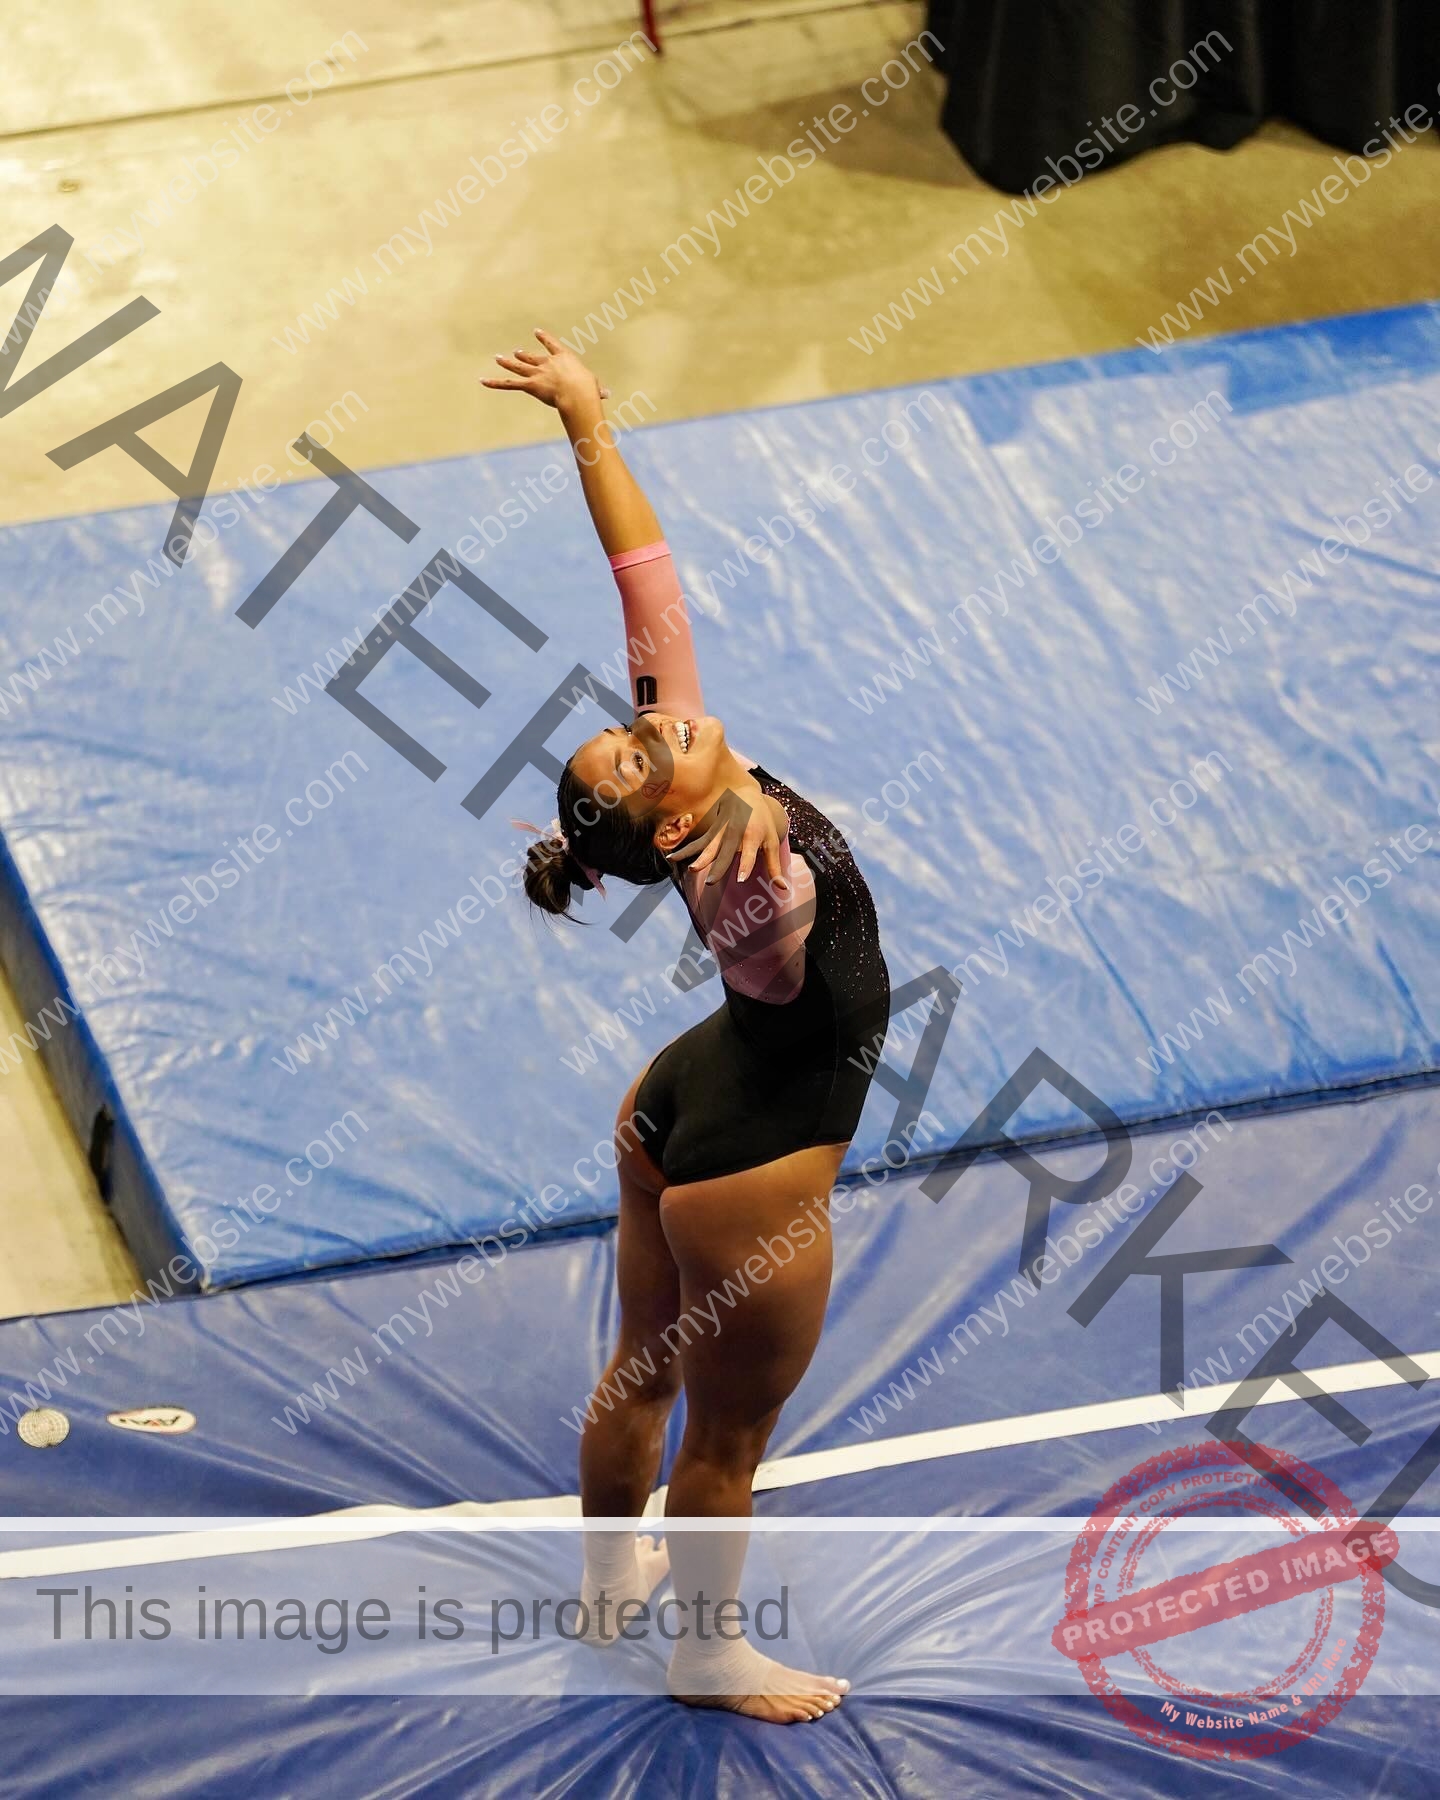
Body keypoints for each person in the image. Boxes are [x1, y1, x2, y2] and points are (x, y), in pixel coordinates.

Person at [484, 331, 891, 1724]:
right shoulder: (753, 885)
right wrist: (743, 807)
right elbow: (763, 886)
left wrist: (584, 416)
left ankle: (610, 1584)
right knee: (727, 1437)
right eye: (645, 743)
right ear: (667, 825)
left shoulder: (691, 791)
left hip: (673, 1103)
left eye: (638, 722)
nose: (660, 716)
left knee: (642, 1364)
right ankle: (709, 1656)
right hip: (754, 1167)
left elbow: (641, 574)